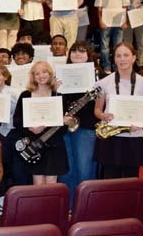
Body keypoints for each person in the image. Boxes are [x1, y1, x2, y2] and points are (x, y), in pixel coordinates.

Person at [93, 42, 143, 178]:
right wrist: (102, 116)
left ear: (133, 58)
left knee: (131, 181)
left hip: (134, 138)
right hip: (111, 138)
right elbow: (97, 109)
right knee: (110, 181)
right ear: (114, 59)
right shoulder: (104, 82)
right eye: (118, 56)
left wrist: (141, 123)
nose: (122, 59)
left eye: (126, 55)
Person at [12, 61, 71, 184]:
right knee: (37, 182)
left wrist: (65, 122)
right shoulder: (26, 95)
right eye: (37, 73)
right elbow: (17, 120)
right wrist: (30, 128)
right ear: (33, 77)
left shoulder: (58, 96)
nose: (41, 76)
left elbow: (64, 126)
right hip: (34, 144)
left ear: (50, 74)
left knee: (52, 182)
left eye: (44, 72)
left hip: (54, 145)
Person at [58, 41, 101, 203]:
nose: (77, 54)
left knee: (85, 169)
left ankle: (86, 207)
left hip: (86, 128)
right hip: (64, 128)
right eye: (74, 51)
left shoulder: (98, 77)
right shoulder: (60, 75)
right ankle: (68, 208)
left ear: (88, 55)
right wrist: (55, 88)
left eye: (82, 51)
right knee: (66, 171)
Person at [0, 64, 25, 192]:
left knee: (18, 170)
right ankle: (0, 196)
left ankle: (19, 196)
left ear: (5, 77)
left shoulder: (16, 93)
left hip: (14, 134)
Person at [95, 0, 129, 73]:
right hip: (106, 22)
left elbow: (125, 7)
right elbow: (99, 8)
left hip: (119, 23)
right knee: (104, 46)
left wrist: (125, 21)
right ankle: (107, 67)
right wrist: (100, 20)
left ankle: (117, 67)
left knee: (118, 46)